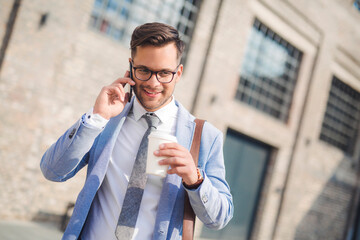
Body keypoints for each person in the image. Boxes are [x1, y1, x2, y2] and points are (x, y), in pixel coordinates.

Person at [40, 22, 233, 240]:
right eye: (144, 70)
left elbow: (219, 218)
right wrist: (97, 118)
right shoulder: (108, 119)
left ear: (178, 73)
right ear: (131, 67)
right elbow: (52, 171)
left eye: (164, 73)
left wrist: (195, 178)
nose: (153, 82)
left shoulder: (206, 136)